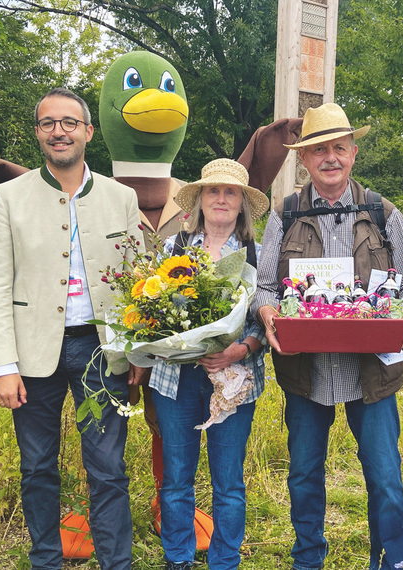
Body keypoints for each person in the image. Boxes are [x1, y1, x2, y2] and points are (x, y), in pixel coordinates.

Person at [252, 103, 403, 570]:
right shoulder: (284, 214)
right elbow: (265, 285)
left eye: (338, 148)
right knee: (304, 475)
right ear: (303, 160)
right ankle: (308, 559)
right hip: (306, 371)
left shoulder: (381, 211)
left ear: (352, 153)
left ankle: (389, 561)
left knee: (385, 476)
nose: (330, 158)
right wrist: (268, 313)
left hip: (369, 371)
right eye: (318, 151)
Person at [0, 88, 141, 569]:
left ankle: (117, 562)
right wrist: (3, 367)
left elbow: (139, 283)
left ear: (88, 132)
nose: (59, 131)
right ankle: (45, 559)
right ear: (37, 133)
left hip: (101, 351)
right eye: (48, 123)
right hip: (32, 355)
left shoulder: (122, 197)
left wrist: (135, 352)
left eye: (69, 122)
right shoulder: (8, 197)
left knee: (108, 469)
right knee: (37, 467)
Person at [144, 158, 269, 570]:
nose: (220, 198)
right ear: (199, 200)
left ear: (241, 204)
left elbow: (267, 322)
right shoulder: (172, 249)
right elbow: (151, 308)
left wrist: (239, 349)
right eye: (212, 191)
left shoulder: (259, 255)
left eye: (229, 192)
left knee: (228, 482)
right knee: (177, 478)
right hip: (175, 379)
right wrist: (168, 339)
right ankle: (177, 558)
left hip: (234, 381)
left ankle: (224, 560)